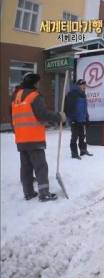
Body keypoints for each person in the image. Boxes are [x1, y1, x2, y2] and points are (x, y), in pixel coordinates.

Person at [10, 72, 66, 202]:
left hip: (21, 139)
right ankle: (44, 193)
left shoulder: (16, 97)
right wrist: (59, 117)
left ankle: (28, 192)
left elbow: (15, 118)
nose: (38, 85)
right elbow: (42, 114)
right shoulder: (34, 96)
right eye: (38, 82)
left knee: (26, 167)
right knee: (41, 166)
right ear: (34, 83)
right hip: (34, 138)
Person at [65, 79, 92, 159]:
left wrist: (87, 118)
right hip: (75, 119)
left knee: (82, 136)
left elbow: (84, 108)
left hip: (82, 119)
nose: (84, 86)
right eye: (82, 84)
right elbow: (69, 108)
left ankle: (83, 150)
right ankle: (74, 154)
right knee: (74, 137)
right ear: (78, 85)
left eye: (85, 85)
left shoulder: (83, 94)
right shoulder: (73, 94)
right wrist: (72, 119)